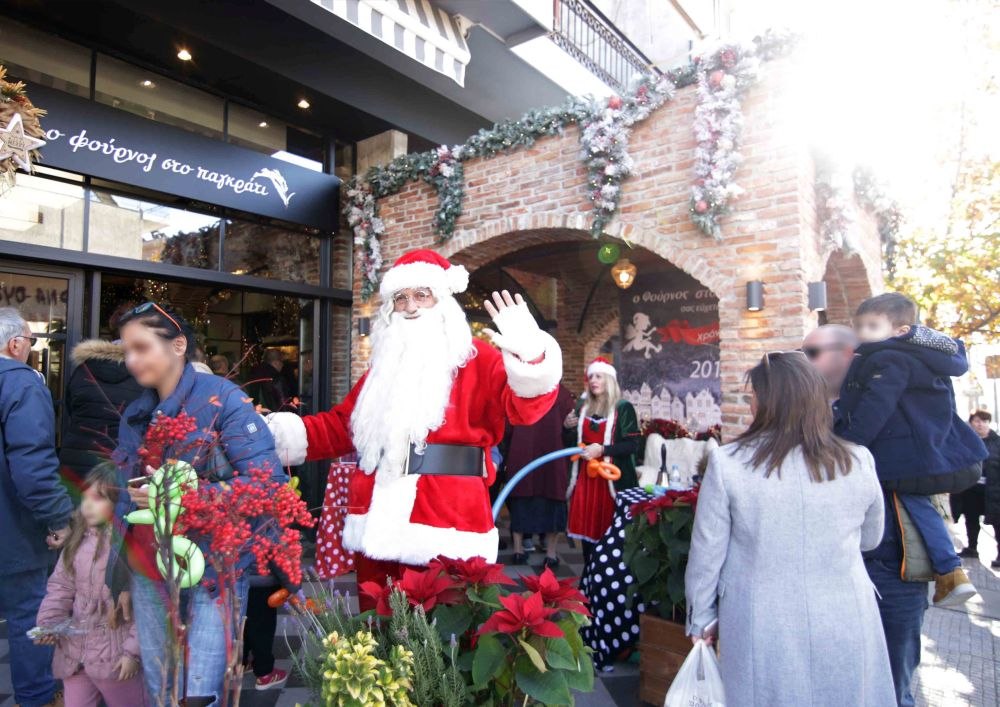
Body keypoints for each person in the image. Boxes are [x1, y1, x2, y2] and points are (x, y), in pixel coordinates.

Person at [266, 249, 561, 606]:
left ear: (443, 300)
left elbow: (526, 409)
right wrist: (274, 435)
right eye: (400, 298)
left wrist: (531, 356)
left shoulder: (477, 357)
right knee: (378, 630)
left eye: (422, 294)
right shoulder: (382, 368)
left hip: (448, 522)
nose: (410, 306)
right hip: (376, 519)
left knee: (446, 641)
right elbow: (342, 426)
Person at [685, 351, 895, 707]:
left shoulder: (728, 463)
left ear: (769, 402)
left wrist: (701, 617)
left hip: (760, 616)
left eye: (753, 395)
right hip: (845, 612)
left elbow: (707, 552)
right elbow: (870, 539)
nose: (749, 403)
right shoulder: (858, 459)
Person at [110, 302, 287, 705]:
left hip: (216, 568)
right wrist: (118, 576)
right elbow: (125, 500)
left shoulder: (223, 399)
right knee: (160, 686)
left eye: (140, 347)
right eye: (126, 350)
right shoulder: (136, 411)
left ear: (178, 346)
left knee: (201, 692)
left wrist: (185, 494)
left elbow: (269, 487)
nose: (131, 360)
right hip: (150, 566)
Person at [835, 293, 986, 608]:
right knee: (917, 502)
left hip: (906, 454)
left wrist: (849, 442)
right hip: (925, 450)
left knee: (910, 499)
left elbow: (876, 405)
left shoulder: (888, 358)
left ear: (901, 330)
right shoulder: (922, 358)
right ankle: (949, 571)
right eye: (859, 325)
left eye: (872, 325)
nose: (863, 332)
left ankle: (949, 569)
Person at [0, 307, 74, 707]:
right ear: (16, 344)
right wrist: (58, 518)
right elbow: (32, 466)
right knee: (30, 613)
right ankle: (39, 698)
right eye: (30, 341)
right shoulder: (21, 384)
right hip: (12, 529)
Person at [34, 463, 145, 707]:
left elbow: (144, 608)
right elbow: (60, 589)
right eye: (85, 498)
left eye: (98, 499)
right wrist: (49, 624)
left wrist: (132, 653)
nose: (88, 505)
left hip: (114, 659)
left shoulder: (130, 550)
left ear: (119, 503)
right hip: (75, 657)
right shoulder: (76, 543)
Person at [59, 304, 144, 494]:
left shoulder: (84, 369)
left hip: (76, 459)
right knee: (113, 520)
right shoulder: (145, 373)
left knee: (77, 518)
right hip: (118, 464)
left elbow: (71, 408)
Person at [564, 358, 640, 565]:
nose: (593, 380)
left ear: (609, 379)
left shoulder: (623, 408)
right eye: (591, 377)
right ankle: (589, 578)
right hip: (586, 481)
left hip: (611, 482)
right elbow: (571, 444)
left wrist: (603, 450)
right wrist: (568, 427)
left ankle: (606, 580)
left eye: (598, 376)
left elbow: (632, 445)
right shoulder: (583, 406)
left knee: (610, 534)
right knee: (588, 538)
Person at [501, 383, 576, 568]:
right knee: (522, 503)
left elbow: (571, 429)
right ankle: (525, 550)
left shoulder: (560, 394)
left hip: (547, 457)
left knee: (550, 503)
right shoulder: (519, 392)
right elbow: (506, 427)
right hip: (526, 455)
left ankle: (543, 551)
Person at [953, 410, 1000, 565]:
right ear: (971, 423)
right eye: (977, 421)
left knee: (997, 522)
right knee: (971, 519)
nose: (981, 425)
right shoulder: (966, 442)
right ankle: (972, 548)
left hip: (993, 491)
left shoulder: (997, 442)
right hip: (971, 489)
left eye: (985, 421)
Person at [801, 323, 858, 401]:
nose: (803, 359)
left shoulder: (874, 398)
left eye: (811, 352)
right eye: (801, 353)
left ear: (848, 353)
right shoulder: (799, 400)